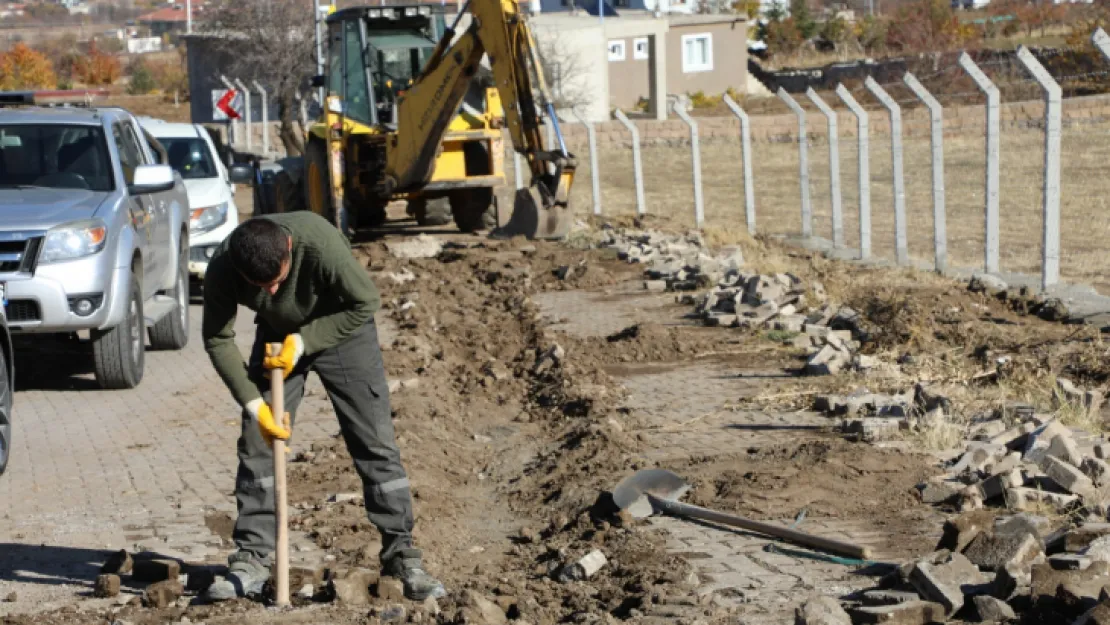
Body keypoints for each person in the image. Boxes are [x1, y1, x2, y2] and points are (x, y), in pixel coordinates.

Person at [200, 211, 445, 602]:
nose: (275, 291)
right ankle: (251, 558)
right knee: (257, 444)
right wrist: (254, 405)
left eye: (279, 279)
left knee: (374, 442)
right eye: (263, 287)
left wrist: (305, 341)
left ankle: (402, 554)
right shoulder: (223, 268)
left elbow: (366, 300)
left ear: (290, 250)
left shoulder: (320, 243)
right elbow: (216, 338)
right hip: (277, 338)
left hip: (342, 327)